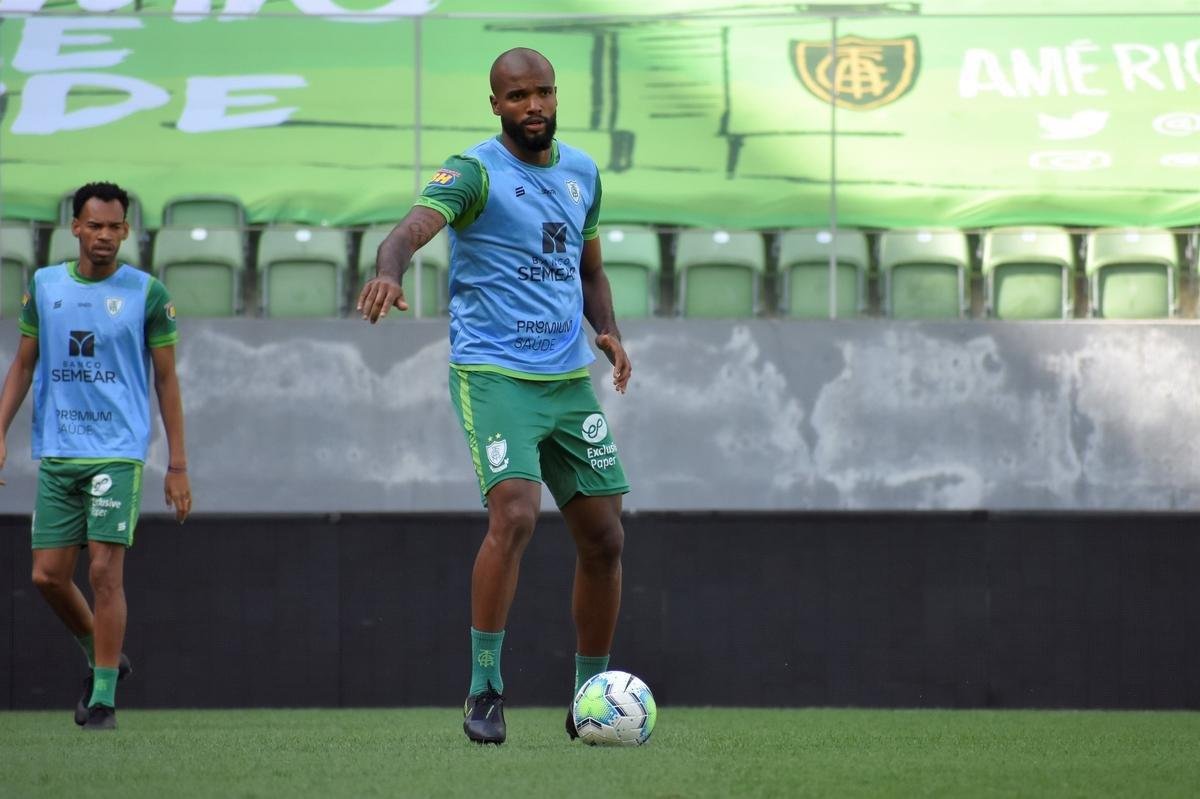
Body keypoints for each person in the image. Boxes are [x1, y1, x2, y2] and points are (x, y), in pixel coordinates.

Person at [358, 47, 632, 745]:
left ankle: (590, 698)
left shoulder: (581, 173)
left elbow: (590, 268)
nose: (532, 106)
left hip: (567, 378)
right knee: (515, 512)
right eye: (516, 96)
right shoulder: (474, 171)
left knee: (605, 538)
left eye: (542, 92)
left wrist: (609, 331)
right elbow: (409, 230)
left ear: (556, 95)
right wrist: (389, 271)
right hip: (494, 373)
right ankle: (485, 687)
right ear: (495, 105)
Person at [0, 181, 192, 731]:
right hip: (59, 448)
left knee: (106, 571)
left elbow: (167, 378)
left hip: (116, 452)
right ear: (76, 228)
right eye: (95, 226)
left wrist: (177, 465)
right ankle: (100, 655)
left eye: (115, 227)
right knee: (47, 577)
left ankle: (103, 699)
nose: (105, 236)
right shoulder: (45, 286)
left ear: (126, 231)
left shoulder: (147, 294)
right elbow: (23, 364)